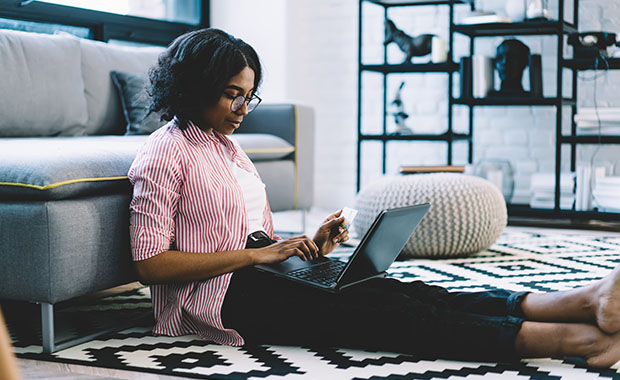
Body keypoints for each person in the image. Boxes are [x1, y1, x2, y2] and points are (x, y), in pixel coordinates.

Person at [130, 28, 620, 368]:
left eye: (248, 96)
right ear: (194, 88)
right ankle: (575, 338)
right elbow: (150, 265)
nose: (243, 109)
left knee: (407, 290)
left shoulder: (228, 148)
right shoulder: (162, 155)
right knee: (389, 316)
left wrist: (312, 247)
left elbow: (242, 236)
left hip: (260, 275)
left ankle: (579, 302)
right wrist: (261, 254)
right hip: (221, 301)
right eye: (232, 95)